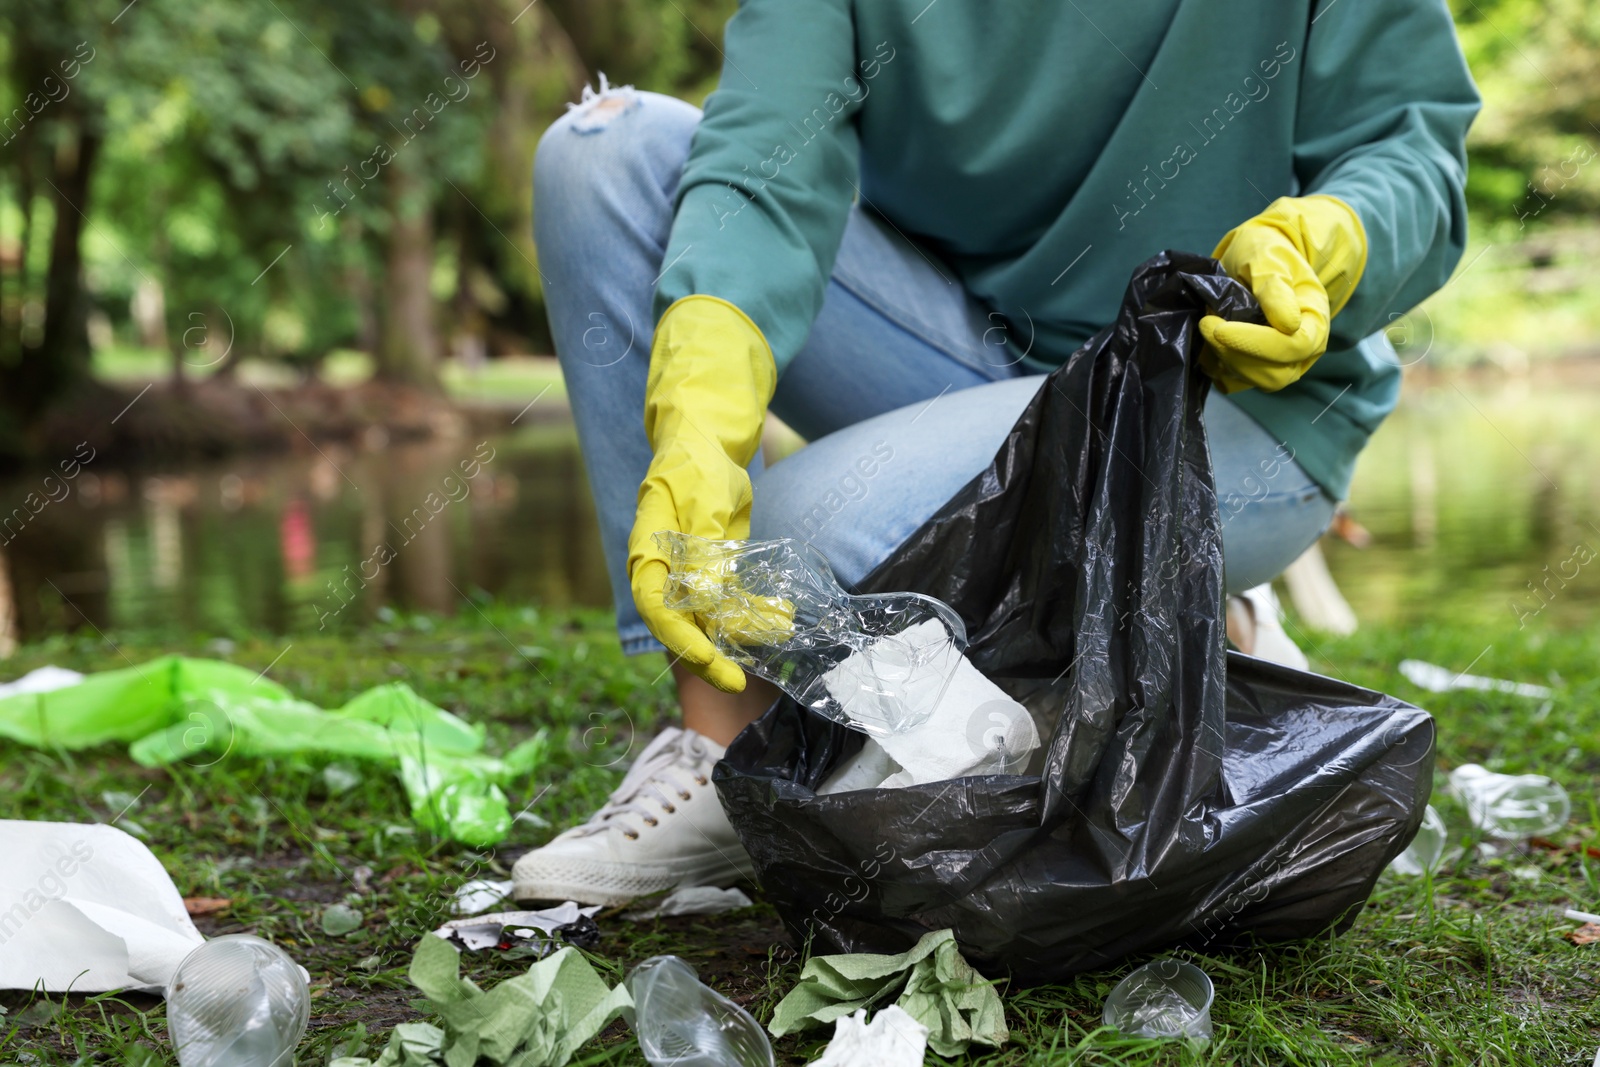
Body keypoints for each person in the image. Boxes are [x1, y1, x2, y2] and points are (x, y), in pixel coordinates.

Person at [513, 0, 1479, 905]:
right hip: (961, 342)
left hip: (1216, 392)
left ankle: (1190, 604)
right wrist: (698, 409)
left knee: (787, 542)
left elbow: (1413, 150)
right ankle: (719, 746)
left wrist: (1328, 241)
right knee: (607, 153)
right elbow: (769, 159)